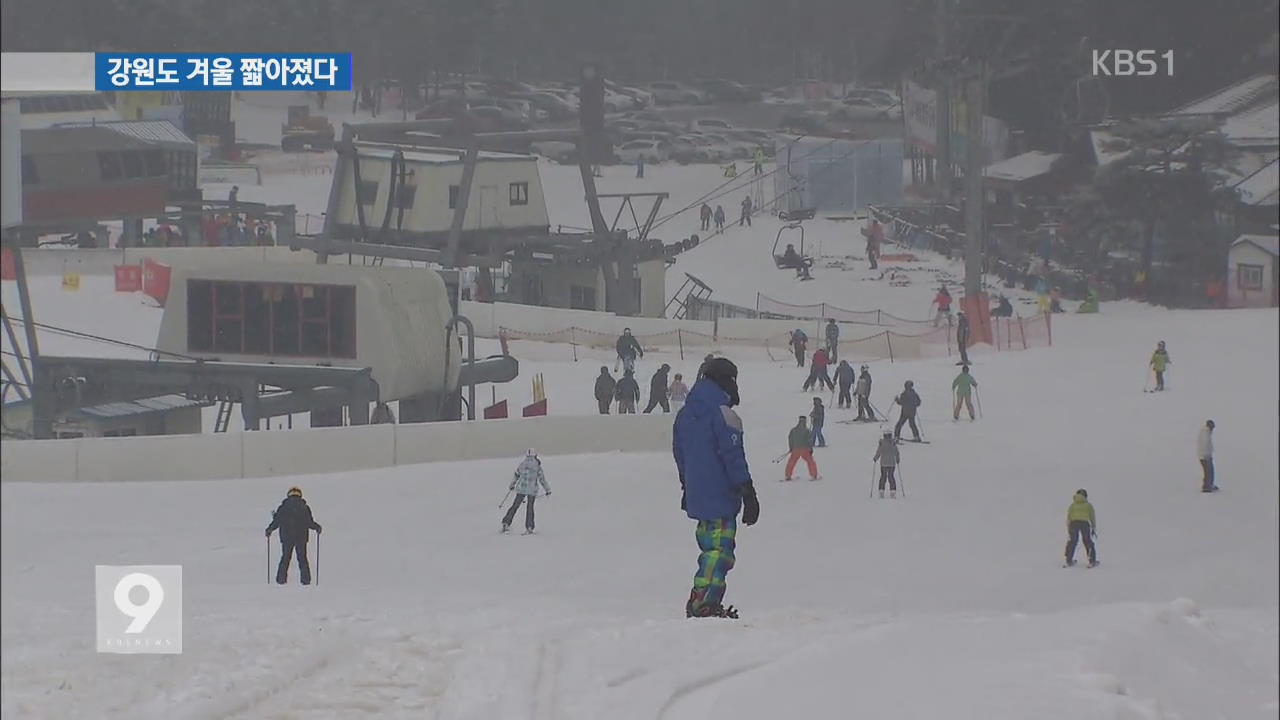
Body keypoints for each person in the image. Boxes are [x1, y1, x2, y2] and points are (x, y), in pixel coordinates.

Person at [672, 357, 757, 619]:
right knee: (720, 551)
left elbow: (680, 453)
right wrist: (747, 489)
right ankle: (703, 602)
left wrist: (687, 485)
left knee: (709, 545)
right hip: (721, 493)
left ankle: (704, 600)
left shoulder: (685, 415)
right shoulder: (724, 414)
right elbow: (733, 455)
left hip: (698, 492)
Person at [265, 486, 322, 585]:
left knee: (285, 558)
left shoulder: (283, 507)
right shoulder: (304, 507)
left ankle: (281, 580)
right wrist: (317, 527)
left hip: (287, 537)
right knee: (302, 558)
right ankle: (306, 580)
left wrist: (270, 529)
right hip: (301, 537)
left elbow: (277, 521)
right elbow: (309, 522)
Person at [502, 449, 551, 534]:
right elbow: (542, 479)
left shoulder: (522, 464)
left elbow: (516, 475)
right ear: (535, 455)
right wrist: (547, 489)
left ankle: (506, 522)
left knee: (515, 506)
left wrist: (512, 485)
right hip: (532, 490)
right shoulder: (537, 466)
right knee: (530, 508)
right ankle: (529, 527)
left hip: (521, 489)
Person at [1064, 489, 1098, 567]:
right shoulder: (1088, 505)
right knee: (1087, 541)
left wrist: (1069, 527)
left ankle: (1068, 560)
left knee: (1072, 541)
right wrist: (1093, 527)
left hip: (1073, 523)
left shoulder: (1072, 505)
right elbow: (1092, 516)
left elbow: (1069, 516)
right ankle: (1092, 560)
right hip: (1084, 523)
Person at [784, 416, 819, 481]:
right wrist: (810, 449)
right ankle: (814, 475)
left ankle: (788, 475)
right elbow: (809, 440)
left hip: (795, 449)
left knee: (792, 462)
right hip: (805, 449)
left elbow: (790, 439)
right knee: (810, 461)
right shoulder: (807, 431)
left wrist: (791, 447)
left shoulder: (793, 430)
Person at [872, 431, 899, 498]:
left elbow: (879, 452)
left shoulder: (882, 443)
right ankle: (893, 491)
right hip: (891, 464)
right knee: (891, 476)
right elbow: (896, 452)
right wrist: (897, 459)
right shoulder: (893, 443)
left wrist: (875, 458)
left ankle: (881, 490)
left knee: (883, 477)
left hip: (883, 463)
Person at [1198, 420, 1218, 493]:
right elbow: (1204, 444)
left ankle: (1209, 485)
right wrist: (1206, 455)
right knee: (1208, 471)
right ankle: (1207, 487)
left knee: (1209, 471)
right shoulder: (1205, 433)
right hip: (1205, 456)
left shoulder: (1206, 432)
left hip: (1205, 456)